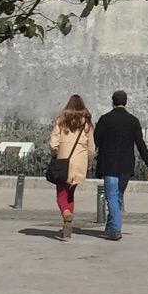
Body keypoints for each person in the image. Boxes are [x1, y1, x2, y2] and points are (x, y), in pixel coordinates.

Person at [93, 90, 148, 241]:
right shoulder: (133, 121)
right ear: (126, 102)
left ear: (113, 102)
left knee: (112, 197)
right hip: (126, 166)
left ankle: (115, 229)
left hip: (109, 164)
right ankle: (111, 226)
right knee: (118, 196)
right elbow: (141, 144)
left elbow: (95, 141)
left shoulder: (105, 119)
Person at [46, 96, 95, 241]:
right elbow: (91, 147)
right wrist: (89, 160)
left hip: (63, 162)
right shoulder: (86, 123)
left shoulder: (61, 120)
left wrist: (56, 152)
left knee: (61, 194)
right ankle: (68, 224)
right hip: (79, 163)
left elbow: (53, 143)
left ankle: (66, 215)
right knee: (70, 194)